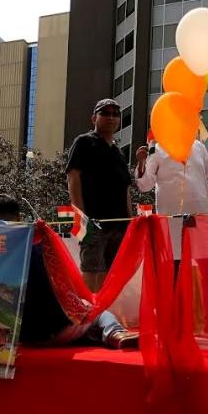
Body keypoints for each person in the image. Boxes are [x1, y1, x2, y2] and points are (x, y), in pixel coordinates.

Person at [0, 194, 138, 349]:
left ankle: (99, 333)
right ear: (19, 217)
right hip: (55, 330)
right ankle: (116, 333)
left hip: (21, 337)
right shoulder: (39, 243)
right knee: (96, 313)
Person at [134, 138, 208, 336]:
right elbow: (145, 185)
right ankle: (176, 325)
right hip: (173, 221)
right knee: (175, 273)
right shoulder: (156, 148)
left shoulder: (199, 146)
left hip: (202, 218)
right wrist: (141, 162)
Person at [66, 98, 132, 292]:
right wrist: (80, 214)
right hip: (92, 222)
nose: (111, 118)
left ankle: (101, 315)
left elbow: (126, 189)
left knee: (111, 274)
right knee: (91, 270)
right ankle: (88, 318)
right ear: (94, 118)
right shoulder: (84, 142)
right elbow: (73, 177)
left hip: (119, 225)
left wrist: (130, 222)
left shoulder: (118, 152)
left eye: (115, 114)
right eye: (105, 113)